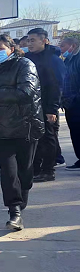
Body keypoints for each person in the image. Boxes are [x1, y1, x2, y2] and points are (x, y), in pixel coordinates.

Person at [0, 34, 44, 231]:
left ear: (11, 49)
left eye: (0, 49)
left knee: (25, 171)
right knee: (8, 171)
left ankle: (22, 199)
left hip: (25, 126)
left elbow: (26, 93)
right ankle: (14, 211)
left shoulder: (24, 65)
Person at [25, 27, 66, 183]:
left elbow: (57, 86)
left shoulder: (53, 60)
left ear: (44, 40)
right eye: (28, 40)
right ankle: (35, 169)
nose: (30, 43)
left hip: (46, 105)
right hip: (30, 106)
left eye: (33, 40)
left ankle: (48, 170)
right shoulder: (28, 58)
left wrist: (52, 109)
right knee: (33, 138)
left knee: (48, 139)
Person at [61, 35, 80, 171]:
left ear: (72, 46)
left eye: (63, 46)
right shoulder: (68, 60)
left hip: (76, 103)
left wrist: (75, 99)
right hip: (69, 104)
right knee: (75, 132)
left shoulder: (78, 59)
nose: (61, 49)